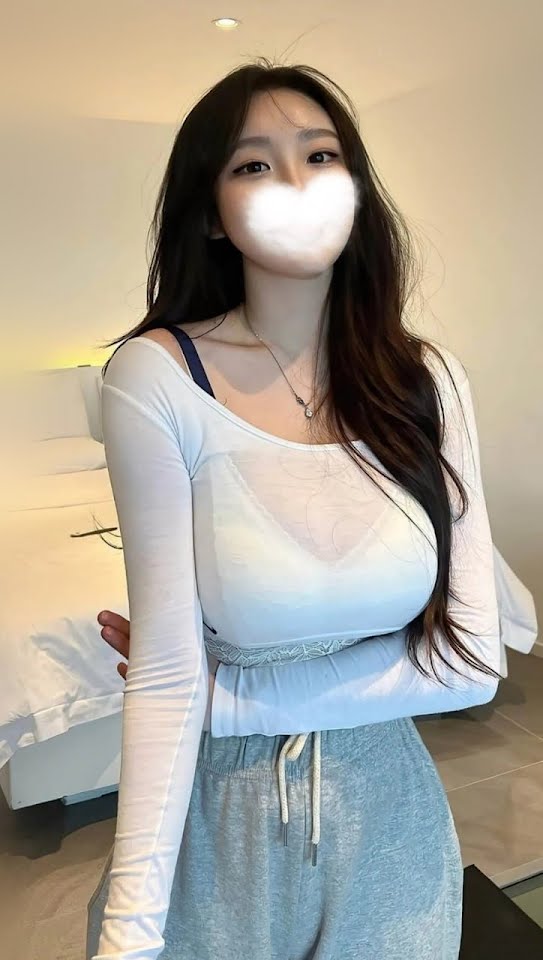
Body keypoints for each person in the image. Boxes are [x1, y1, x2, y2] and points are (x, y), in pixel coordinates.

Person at [86, 58, 501, 960]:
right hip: (217, 827)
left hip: (391, 826)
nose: (296, 183)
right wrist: (128, 937)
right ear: (211, 212)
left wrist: (227, 697)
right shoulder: (155, 377)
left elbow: (472, 663)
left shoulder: (426, 380)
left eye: (319, 155)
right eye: (253, 164)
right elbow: (164, 681)